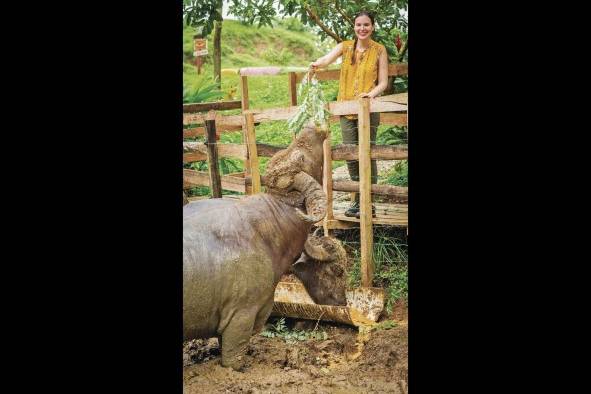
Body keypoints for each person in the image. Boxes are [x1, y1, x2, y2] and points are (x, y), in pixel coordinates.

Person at [310, 11, 389, 218]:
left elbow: (383, 82)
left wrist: (369, 95)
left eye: (366, 25)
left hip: (369, 110)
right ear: (354, 27)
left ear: (372, 27)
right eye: (358, 25)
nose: (362, 28)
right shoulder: (345, 47)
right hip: (346, 110)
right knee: (350, 155)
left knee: (367, 153)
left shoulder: (380, 50)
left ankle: (368, 202)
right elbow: (326, 59)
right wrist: (316, 64)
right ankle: (357, 200)